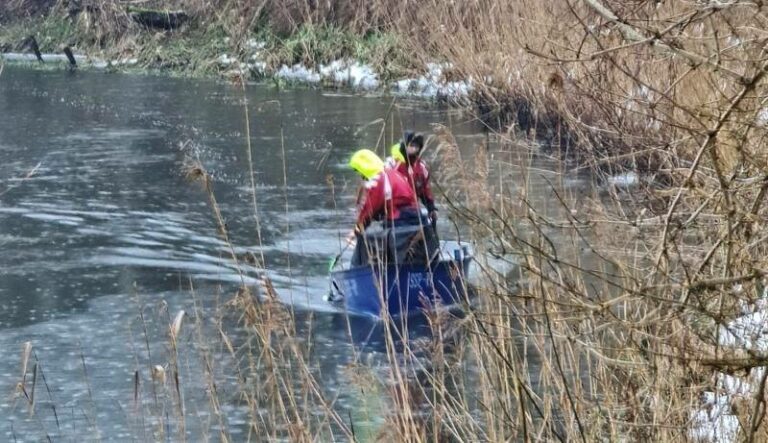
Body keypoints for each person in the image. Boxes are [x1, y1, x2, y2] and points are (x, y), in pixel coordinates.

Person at [348, 149, 421, 267]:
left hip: (399, 219)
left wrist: (357, 230)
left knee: (368, 240)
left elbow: (369, 210)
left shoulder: (378, 179)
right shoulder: (393, 173)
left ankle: (363, 267)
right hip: (414, 215)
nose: (361, 176)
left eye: (360, 172)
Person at [388, 131, 438, 224]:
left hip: (413, 210)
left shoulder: (421, 167)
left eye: (416, 146)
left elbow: (425, 190)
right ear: (404, 145)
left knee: (428, 222)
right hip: (394, 211)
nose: (414, 149)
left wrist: (431, 208)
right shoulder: (392, 164)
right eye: (411, 146)